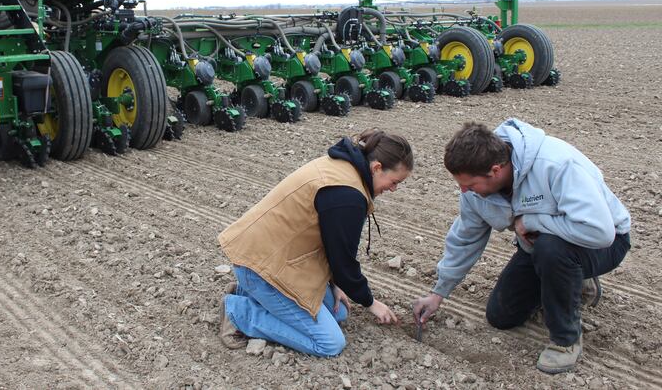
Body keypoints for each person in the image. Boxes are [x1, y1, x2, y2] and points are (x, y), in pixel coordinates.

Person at [413, 118, 631, 374]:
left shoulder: (555, 164)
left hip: (602, 243)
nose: (463, 191)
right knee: (501, 316)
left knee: (552, 249)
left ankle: (566, 340)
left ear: (495, 170)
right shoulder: (475, 193)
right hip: (538, 248)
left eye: (469, 184)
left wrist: (531, 220)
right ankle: (570, 279)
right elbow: (466, 238)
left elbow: (599, 231)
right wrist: (438, 293)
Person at [216, 129, 413, 357]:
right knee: (329, 343)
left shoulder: (343, 167)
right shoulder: (347, 195)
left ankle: (248, 292)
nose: (394, 188)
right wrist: (370, 302)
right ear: (377, 167)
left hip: (271, 258)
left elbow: (330, 241)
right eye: (394, 181)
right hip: (261, 267)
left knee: (339, 313)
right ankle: (239, 313)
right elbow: (343, 262)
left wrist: (335, 284)